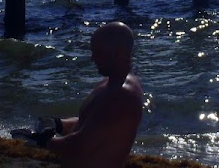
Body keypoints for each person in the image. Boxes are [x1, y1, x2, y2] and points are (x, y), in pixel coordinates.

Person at [20, 22, 143, 168]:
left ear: (117, 53)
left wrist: (40, 141)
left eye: (97, 52)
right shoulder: (110, 83)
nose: (92, 58)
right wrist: (58, 124)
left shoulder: (119, 95)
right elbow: (93, 122)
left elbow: (78, 147)